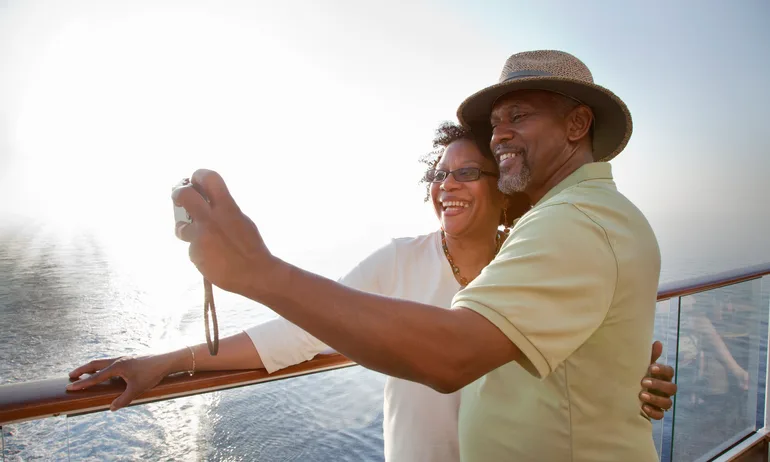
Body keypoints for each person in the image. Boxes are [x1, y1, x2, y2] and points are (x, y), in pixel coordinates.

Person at [71, 50, 667, 460]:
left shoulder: (568, 228)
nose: (501, 133)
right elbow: (294, 334)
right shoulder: (542, 236)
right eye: (441, 174)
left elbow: (453, 354)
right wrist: (170, 361)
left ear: (577, 125)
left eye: (519, 116)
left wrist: (259, 270)